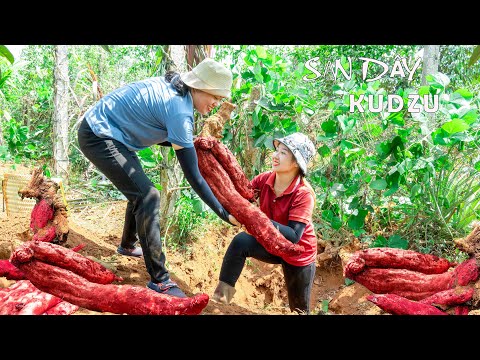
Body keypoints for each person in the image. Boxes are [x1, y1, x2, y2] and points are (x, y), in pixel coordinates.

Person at [77, 58, 240, 298]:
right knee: (148, 195)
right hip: (99, 134)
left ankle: (128, 245)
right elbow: (194, 176)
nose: (216, 103)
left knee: (139, 190)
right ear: (198, 86)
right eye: (214, 96)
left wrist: (192, 145)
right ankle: (160, 280)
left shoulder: (179, 94)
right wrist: (223, 212)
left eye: (220, 98)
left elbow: (173, 139)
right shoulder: (180, 110)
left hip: (113, 133)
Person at [212, 132, 317, 314]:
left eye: (283, 153)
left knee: (299, 310)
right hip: (271, 243)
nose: (275, 155)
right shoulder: (264, 180)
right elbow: (242, 199)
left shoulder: (303, 194)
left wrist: (257, 218)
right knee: (240, 242)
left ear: (295, 163)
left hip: (298, 254)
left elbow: (293, 236)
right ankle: (220, 300)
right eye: (277, 150)